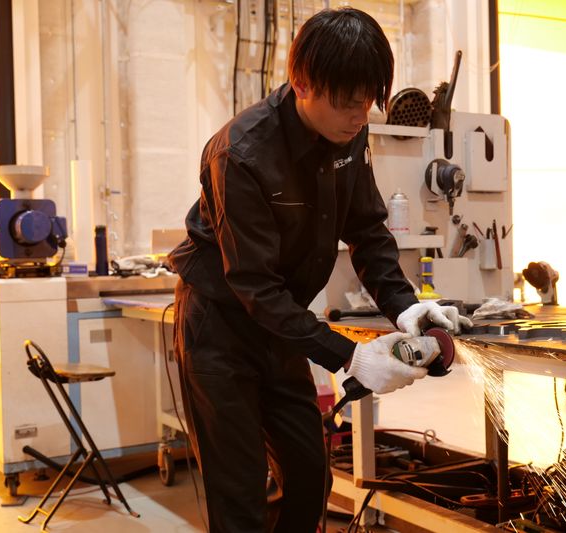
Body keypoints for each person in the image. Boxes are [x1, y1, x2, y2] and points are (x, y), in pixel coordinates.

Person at [168, 8, 471, 532]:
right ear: (302, 82)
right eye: (347, 102)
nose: (359, 116)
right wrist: (351, 356)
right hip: (220, 329)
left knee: (310, 477)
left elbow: (368, 231)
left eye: (368, 100)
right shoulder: (239, 154)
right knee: (239, 495)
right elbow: (254, 285)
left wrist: (406, 308)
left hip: (277, 325)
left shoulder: (349, 136)